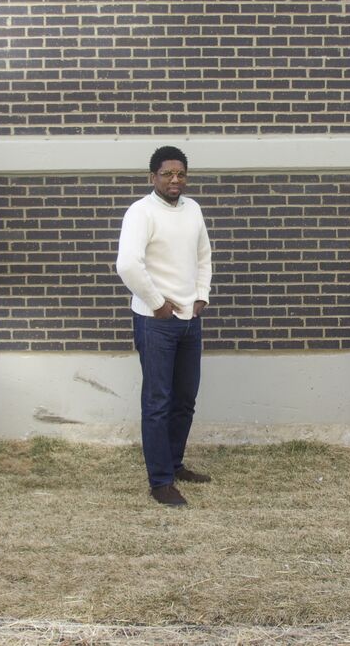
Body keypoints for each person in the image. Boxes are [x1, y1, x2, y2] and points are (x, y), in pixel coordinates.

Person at [116, 146, 213, 507]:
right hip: (155, 322)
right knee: (158, 402)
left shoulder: (193, 210)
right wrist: (157, 304)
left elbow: (203, 255)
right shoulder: (141, 212)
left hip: (190, 319)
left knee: (184, 399)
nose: (175, 180)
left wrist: (201, 294)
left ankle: (174, 463)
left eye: (181, 174)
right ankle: (160, 481)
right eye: (168, 174)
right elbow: (128, 264)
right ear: (153, 177)